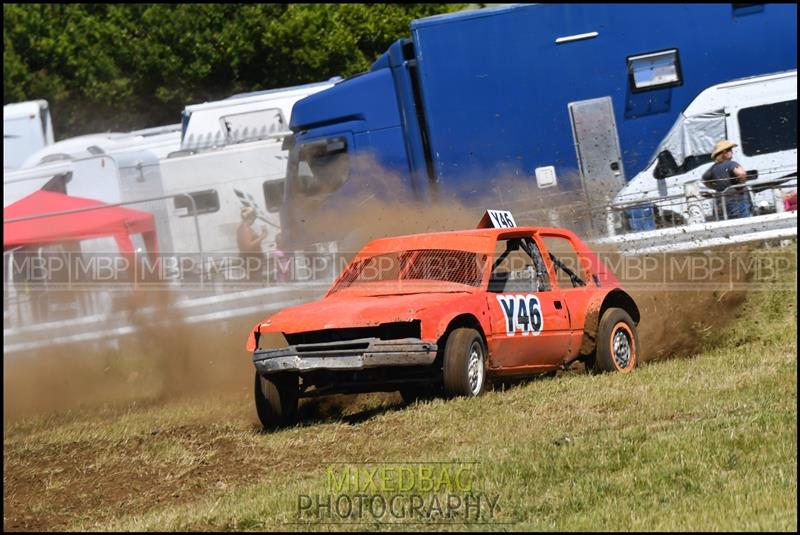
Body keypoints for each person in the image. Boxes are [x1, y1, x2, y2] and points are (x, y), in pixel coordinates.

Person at [702, 140, 753, 220]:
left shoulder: (713, 168)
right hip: (737, 201)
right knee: (744, 224)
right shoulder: (731, 164)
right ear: (724, 153)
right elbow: (741, 173)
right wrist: (741, 184)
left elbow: (704, 180)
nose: (731, 152)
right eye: (730, 150)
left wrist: (715, 187)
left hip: (720, 203)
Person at [237, 207, 267, 282]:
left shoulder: (243, 227)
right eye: (254, 218)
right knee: (257, 280)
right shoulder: (245, 229)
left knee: (256, 279)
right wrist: (261, 237)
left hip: (251, 259)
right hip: (252, 260)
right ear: (251, 217)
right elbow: (248, 246)